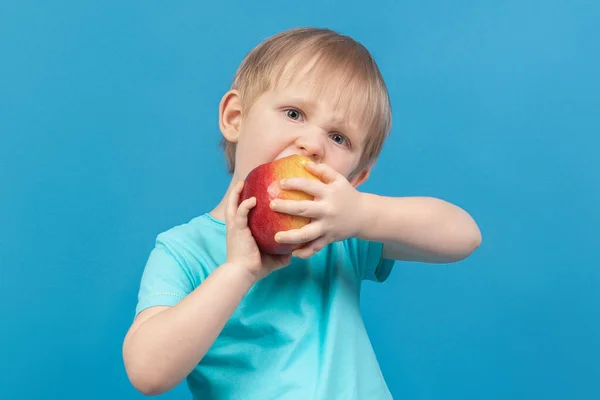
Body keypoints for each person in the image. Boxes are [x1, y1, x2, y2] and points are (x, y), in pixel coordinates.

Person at [122, 27, 481, 399]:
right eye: (294, 113)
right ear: (235, 117)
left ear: (355, 177)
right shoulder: (184, 249)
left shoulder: (338, 233)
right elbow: (148, 372)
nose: (312, 144)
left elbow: (464, 236)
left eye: (339, 137)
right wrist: (238, 272)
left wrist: (361, 214)